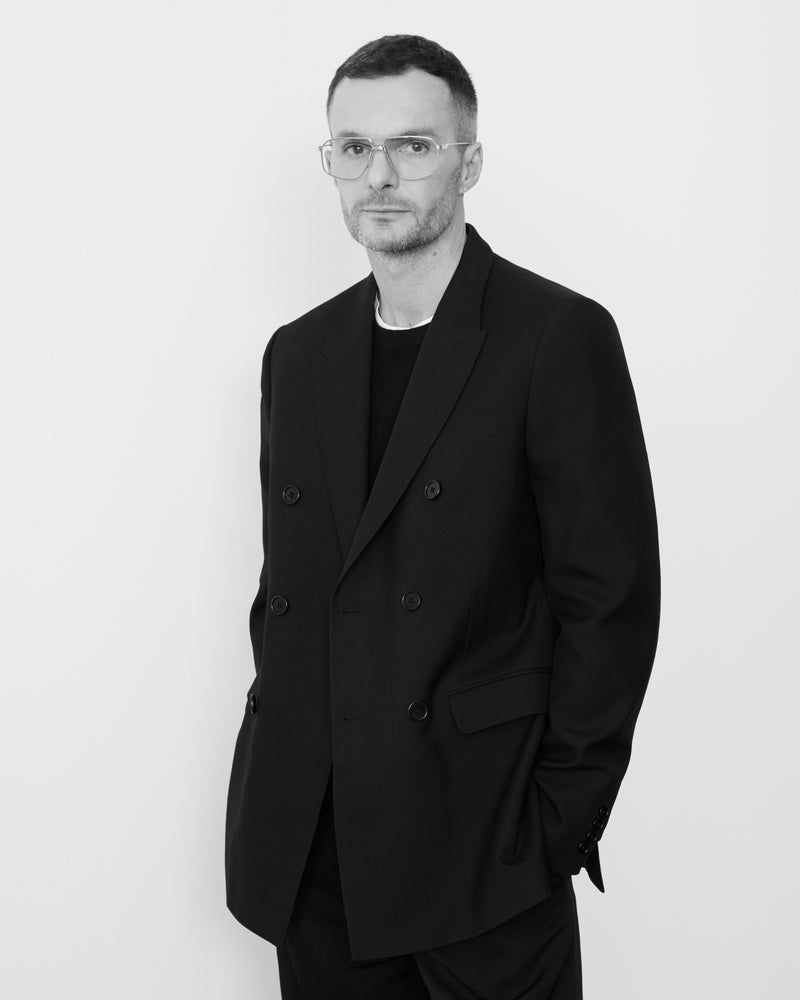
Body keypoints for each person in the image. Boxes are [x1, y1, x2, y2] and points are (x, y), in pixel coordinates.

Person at [224, 33, 661, 999]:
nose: (379, 175)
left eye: (413, 146)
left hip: (482, 847)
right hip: (314, 849)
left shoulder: (556, 336)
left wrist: (557, 823)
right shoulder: (298, 354)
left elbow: (611, 603)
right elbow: (291, 590)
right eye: (354, 148)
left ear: (469, 162)